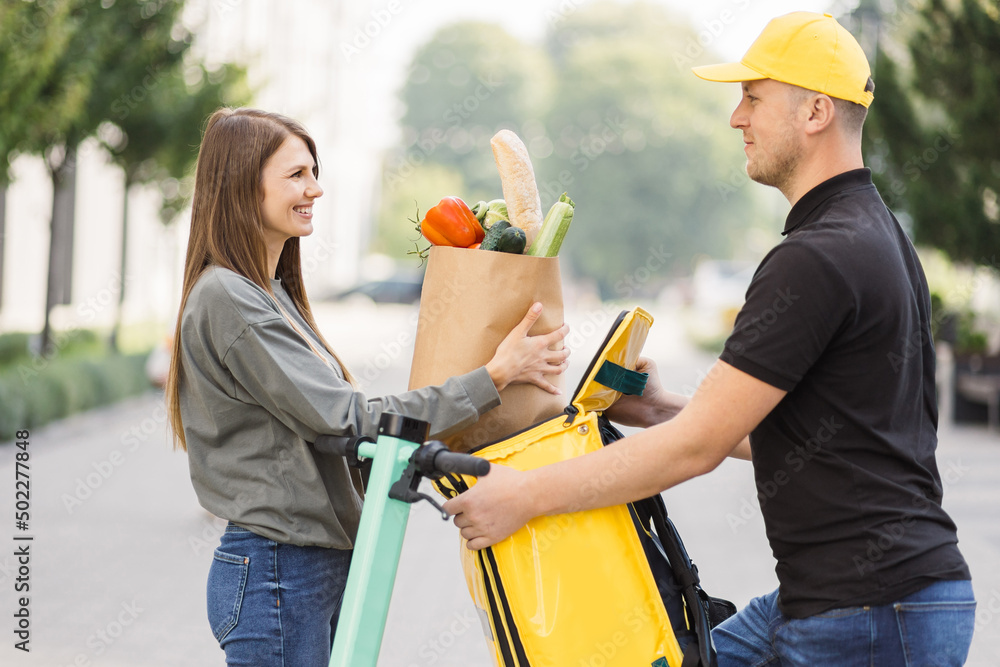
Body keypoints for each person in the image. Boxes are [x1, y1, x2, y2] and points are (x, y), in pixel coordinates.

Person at [443, 12, 976, 665]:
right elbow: (832, 435)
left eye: (753, 97)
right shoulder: (877, 234)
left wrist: (521, 496)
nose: (736, 118)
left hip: (866, 613)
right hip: (866, 596)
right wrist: (663, 410)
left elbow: (695, 449)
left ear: (814, 112)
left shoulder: (818, 256)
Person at [164, 107, 569, 666]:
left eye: (315, 171)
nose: (317, 189)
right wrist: (494, 376)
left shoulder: (269, 294)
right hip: (279, 572)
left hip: (302, 568)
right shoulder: (229, 298)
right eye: (296, 175)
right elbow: (345, 418)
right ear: (240, 186)